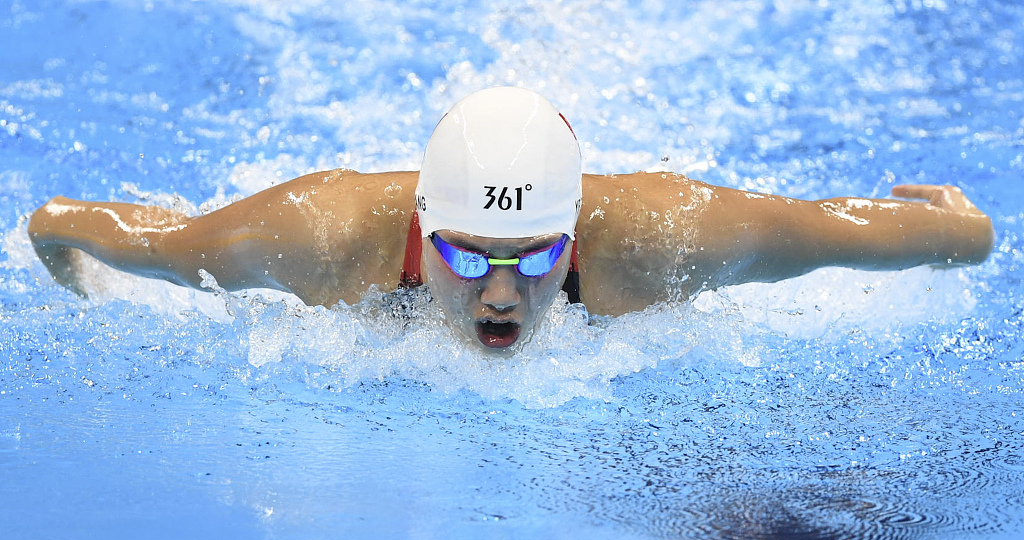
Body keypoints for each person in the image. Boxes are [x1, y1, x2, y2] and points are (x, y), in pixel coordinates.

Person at [27, 87, 994, 354]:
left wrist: (960, 233)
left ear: (574, 239)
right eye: (462, 254)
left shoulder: (664, 240)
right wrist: (75, 267)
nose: (499, 294)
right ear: (417, 223)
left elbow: (834, 231)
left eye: (535, 259)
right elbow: (83, 226)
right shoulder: (318, 240)